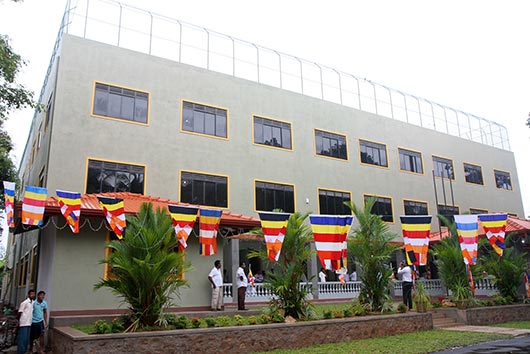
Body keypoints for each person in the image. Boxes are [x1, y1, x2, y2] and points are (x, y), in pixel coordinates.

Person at [17, 289, 35, 354]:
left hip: (29, 323)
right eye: (31, 294)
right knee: (22, 339)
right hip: (23, 323)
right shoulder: (24, 303)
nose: (33, 295)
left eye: (33, 294)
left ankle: (24, 351)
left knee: (26, 339)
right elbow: (19, 312)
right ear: (28, 295)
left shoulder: (33, 303)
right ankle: (20, 352)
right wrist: (18, 321)